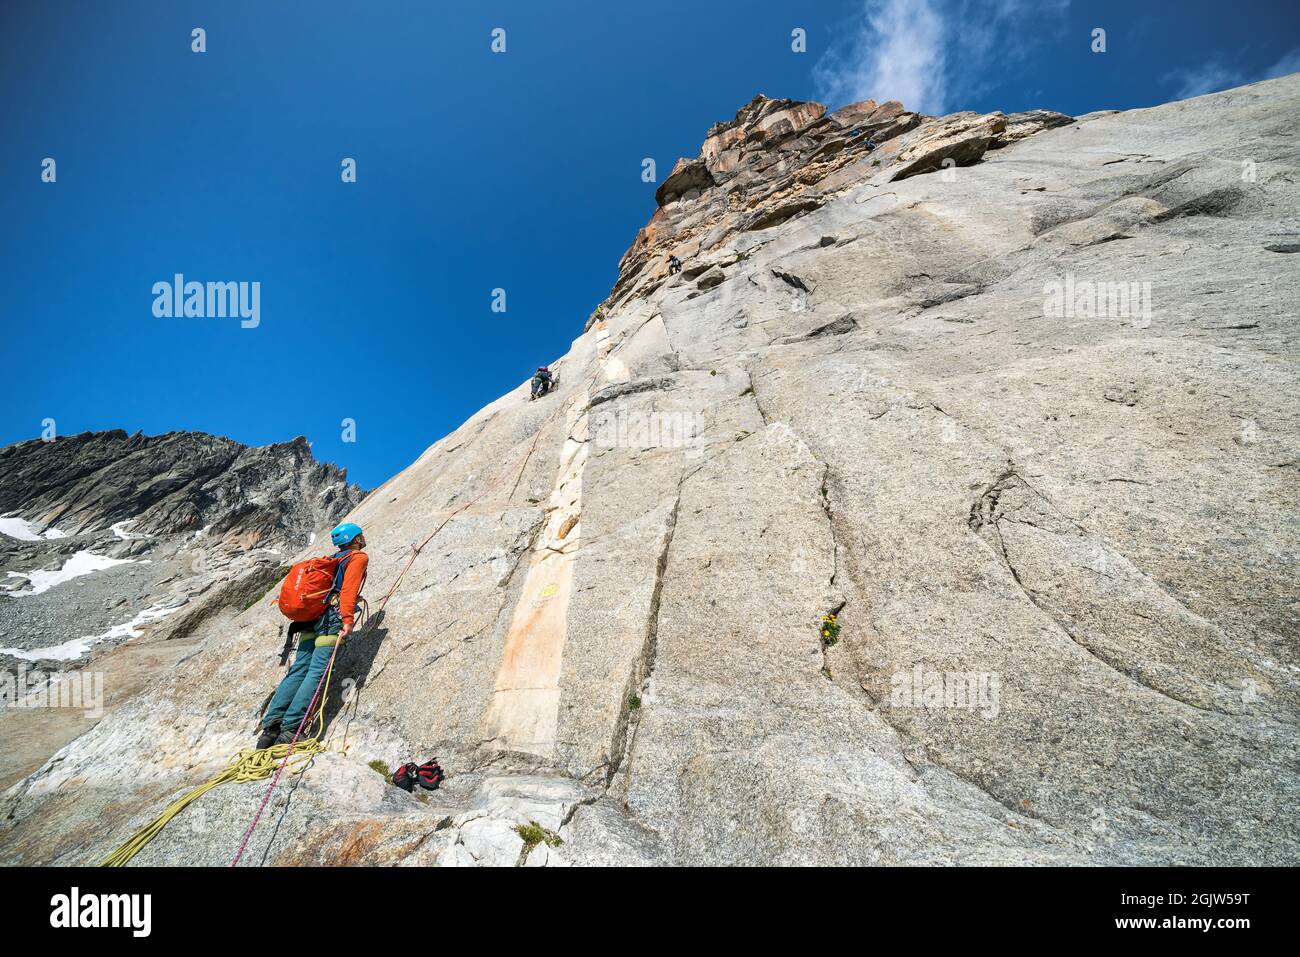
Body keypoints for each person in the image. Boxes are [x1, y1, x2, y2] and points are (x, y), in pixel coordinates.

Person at [256, 522, 369, 749]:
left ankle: (271, 728)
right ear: (355, 539)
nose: (363, 538)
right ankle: (292, 729)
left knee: (299, 668)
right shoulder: (357, 558)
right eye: (360, 535)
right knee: (317, 671)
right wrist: (347, 619)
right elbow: (348, 590)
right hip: (331, 618)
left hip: (309, 619)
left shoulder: (331, 559)